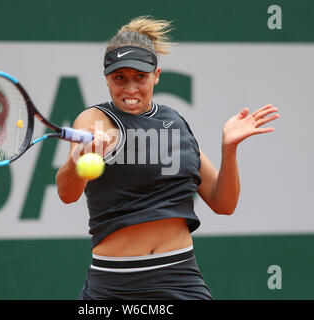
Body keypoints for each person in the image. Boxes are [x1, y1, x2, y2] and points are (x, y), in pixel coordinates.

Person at [56, 16, 280, 300]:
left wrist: (229, 149)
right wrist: (80, 157)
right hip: (114, 284)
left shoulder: (174, 122)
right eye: (119, 78)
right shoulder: (95, 120)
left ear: (156, 75)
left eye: (140, 77)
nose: (130, 89)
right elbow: (66, 193)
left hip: (180, 276)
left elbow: (223, 203)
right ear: (106, 78)